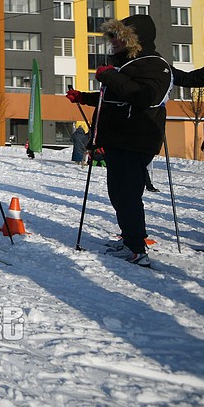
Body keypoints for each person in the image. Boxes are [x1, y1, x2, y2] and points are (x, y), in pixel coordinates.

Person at [65, 14, 170, 267]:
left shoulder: (154, 65)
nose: (113, 43)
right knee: (118, 193)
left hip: (136, 138)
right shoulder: (127, 65)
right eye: (111, 37)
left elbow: (143, 97)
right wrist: (84, 97)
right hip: (118, 138)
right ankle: (130, 238)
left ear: (135, 40)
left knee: (128, 195)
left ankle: (137, 249)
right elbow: (114, 98)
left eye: (118, 38)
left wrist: (110, 76)